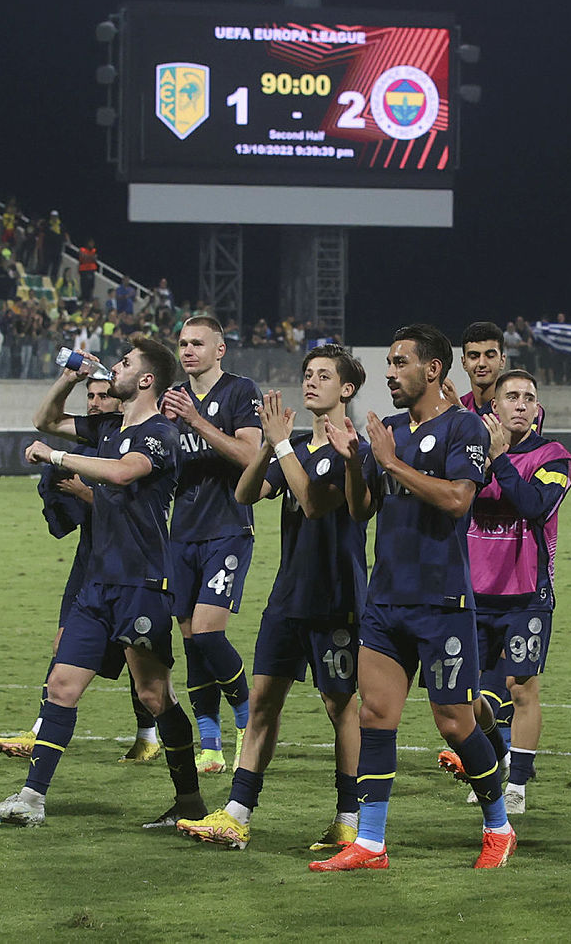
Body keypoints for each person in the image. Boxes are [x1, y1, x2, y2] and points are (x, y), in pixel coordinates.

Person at [0, 336, 206, 828]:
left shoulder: (160, 433)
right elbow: (46, 421)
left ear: (146, 379)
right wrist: (69, 378)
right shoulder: (107, 425)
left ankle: (189, 803)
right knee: (60, 686)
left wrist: (57, 459)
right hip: (97, 585)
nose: (113, 370)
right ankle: (31, 800)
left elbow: (123, 474)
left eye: (124, 364)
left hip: (142, 583)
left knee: (153, 696)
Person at [307, 324, 515, 871]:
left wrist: (392, 461)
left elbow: (457, 500)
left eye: (400, 363)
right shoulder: (390, 429)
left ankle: (499, 826)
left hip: (441, 602)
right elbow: (360, 509)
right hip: (385, 602)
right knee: (376, 717)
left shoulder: (463, 426)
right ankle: (371, 843)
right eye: (389, 362)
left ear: (432, 370)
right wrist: (356, 460)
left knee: (455, 722)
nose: (389, 373)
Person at [177, 345, 373, 851]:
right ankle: (238, 813)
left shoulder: (354, 450)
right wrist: (269, 445)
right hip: (286, 599)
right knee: (264, 702)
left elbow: (311, 503)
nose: (311, 383)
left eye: (324, 376)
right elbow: (245, 495)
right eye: (308, 374)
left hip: (336, 600)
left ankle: (349, 817)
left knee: (339, 706)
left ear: (346, 390)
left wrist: (282, 447)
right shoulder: (297, 447)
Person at [0, 378, 163, 763]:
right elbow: (45, 420)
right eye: (90, 396)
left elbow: (133, 502)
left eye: (104, 395)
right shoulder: (95, 438)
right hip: (92, 560)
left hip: (136, 565)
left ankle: (154, 736)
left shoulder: (145, 437)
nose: (95, 403)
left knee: (140, 661)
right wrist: (68, 377)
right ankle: (40, 733)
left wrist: (86, 493)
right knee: (64, 642)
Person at [441, 369, 571, 814]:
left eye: (528, 397)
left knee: (522, 689)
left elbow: (534, 505)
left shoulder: (556, 458)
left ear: (537, 409)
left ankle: (516, 782)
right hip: (473, 595)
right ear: (493, 407)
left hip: (527, 595)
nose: (520, 404)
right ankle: (496, 750)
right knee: (468, 696)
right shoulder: (470, 454)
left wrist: (498, 459)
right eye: (512, 396)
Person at [161, 315, 263, 773]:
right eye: (183, 343)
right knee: (190, 642)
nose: (188, 351)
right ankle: (210, 742)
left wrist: (196, 421)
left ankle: (248, 720)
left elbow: (251, 456)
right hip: (181, 533)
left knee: (207, 632)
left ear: (219, 350)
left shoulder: (241, 392)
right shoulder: (171, 401)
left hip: (227, 530)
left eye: (198, 343)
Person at [458, 320, 545, 432]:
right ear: (464, 362)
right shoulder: (459, 406)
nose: (481, 363)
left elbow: (515, 447)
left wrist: (461, 418)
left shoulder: (524, 407)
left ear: (502, 361)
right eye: (474, 356)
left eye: (490, 356)